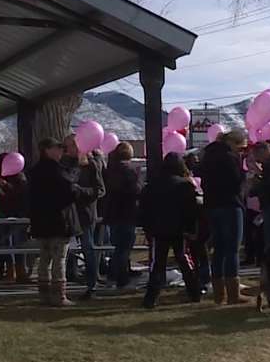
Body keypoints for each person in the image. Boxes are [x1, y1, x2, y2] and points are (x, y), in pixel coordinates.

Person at [140, 153, 202, 308]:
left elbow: (144, 209)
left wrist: (147, 228)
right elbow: (192, 210)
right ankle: (194, 291)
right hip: (179, 229)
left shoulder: (152, 185)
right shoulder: (185, 185)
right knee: (184, 260)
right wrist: (191, 228)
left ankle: (151, 297)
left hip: (158, 229)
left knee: (157, 264)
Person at [28, 138, 82, 307]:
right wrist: (76, 165)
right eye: (57, 148)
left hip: (41, 221)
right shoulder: (57, 170)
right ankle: (59, 295)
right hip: (58, 220)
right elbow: (70, 188)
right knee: (59, 258)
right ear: (47, 150)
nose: (61, 151)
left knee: (44, 258)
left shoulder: (34, 171)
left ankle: (43, 294)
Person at [198, 129, 250, 304]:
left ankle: (219, 294)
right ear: (232, 143)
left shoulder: (208, 156)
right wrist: (244, 174)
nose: (242, 151)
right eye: (241, 148)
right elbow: (236, 183)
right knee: (232, 250)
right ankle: (233, 293)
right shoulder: (230, 158)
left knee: (218, 250)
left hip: (212, 206)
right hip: (230, 205)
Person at [62, 135, 106, 299]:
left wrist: (80, 190)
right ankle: (67, 279)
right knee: (67, 250)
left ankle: (91, 285)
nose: (69, 150)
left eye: (71, 146)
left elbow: (100, 190)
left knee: (88, 248)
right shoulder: (64, 164)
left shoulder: (90, 165)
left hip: (85, 214)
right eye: (67, 147)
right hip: (68, 213)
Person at [102, 142, 140, 290]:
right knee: (124, 248)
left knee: (118, 247)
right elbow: (135, 191)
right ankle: (121, 278)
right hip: (127, 213)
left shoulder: (109, 170)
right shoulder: (128, 172)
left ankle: (113, 275)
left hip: (112, 213)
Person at [0, 153, 31, 282]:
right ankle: (5, 270)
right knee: (4, 244)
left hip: (18, 216)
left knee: (18, 244)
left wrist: (6, 186)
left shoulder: (20, 179)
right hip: (2, 216)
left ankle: (20, 270)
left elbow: (20, 195)